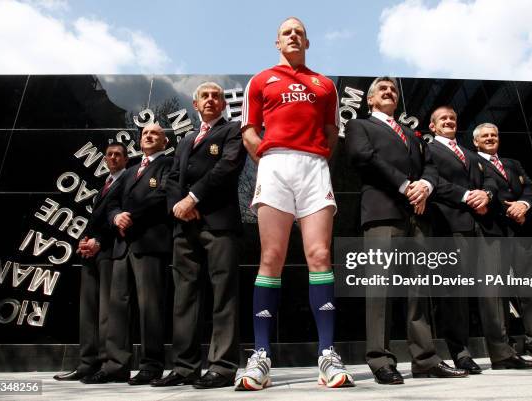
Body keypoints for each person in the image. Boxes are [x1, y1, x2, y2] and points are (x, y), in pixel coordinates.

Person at [235, 16, 354, 390]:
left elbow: (332, 133)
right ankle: (261, 357)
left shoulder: (325, 85)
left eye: (299, 32)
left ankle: (327, 355)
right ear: (277, 42)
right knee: (272, 257)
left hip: (314, 167)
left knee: (319, 255)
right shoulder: (260, 80)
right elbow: (249, 132)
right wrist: (269, 159)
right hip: (274, 167)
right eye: (286, 32)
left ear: (307, 42)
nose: (293, 35)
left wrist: (314, 156)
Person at [345, 77, 470, 382]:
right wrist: (405, 185)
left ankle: (425, 359)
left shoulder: (412, 135)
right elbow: (363, 157)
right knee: (381, 290)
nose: (389, 92)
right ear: (370, 100)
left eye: (393, 90)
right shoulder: (360, 126)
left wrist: (425, 185)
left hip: (418, 216)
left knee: (419, 289)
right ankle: (381, 360)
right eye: (383, 90)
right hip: (383, 214)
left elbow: (430, 164)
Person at [428, 106, 532, 371]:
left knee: (492, 292)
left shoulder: (472, 155)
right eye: (443, 119)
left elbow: (490, 180)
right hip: (452, 227)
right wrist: (468, 196)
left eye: (453, 118)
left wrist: (487, 195)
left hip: (484, 229)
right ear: (433, 127)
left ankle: (502, 354)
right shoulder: (430, 151)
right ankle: (461, 353)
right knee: (456, 293)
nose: (449, 121)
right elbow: (434, 182)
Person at [152, 82, 246, 389]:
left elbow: (228, 166)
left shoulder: (233, 131)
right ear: (196, 104)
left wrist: (193, 198)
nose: (210, 100)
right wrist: (178, 207)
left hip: (219, 224)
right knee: (185, 298)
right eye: (204, 96)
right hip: (185, 228)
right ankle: (184, 367)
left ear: (223, 104)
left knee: (224, 296)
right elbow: (171, 181)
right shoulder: (186, 140)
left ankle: (222, 366)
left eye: (215, 96)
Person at [82, 122, 173, 384]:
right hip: (123, 248)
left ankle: (151, 365)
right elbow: (111, 204)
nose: (149, 136)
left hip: (150, 245)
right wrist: (115, 217)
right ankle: (115, 365)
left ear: (164, 142)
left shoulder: (168, 164)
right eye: (145, 133)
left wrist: (130, 216)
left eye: (155, 133)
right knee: (118, 308)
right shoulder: (130, 171)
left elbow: (162, 196)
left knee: (150, 308)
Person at [473, 122, 532, 366]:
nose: (490, 138)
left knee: (528, 291)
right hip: (493, 233)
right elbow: (478, 193)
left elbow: (531, 190)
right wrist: (505, 208)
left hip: (521, 232)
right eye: (485, 135)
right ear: (476, 141)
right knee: (498, 293)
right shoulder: (472, 162)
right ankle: (505, 352)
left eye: (494, 135)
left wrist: (523, 205)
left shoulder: (513, 164)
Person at [53, 142, 128, 382]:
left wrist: (99, 241)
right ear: (105, 159)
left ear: (126, 159)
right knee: (88, 312)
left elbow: (119, 216)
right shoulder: (104, 185)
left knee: (107, 311)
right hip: (91, 253)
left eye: (118, 155)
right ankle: (87, 362)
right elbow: (96, 218)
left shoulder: (128, 181)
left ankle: (107, 363)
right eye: (110, 155)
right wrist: (85, 241)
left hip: (110, 251)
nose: (113, 158)